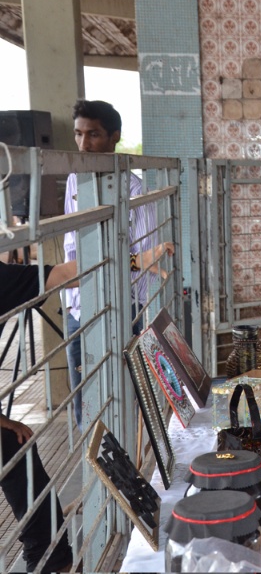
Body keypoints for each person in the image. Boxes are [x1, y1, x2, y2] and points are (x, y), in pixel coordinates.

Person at [64, 99, 161, 429]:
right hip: (80, 308)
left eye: (93, 134)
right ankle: (97, 474)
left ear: (114, 137)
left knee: (124, 399)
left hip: (121, 308)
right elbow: (71, 248)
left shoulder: (133, 190)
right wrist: (75, 295)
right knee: (85, 398)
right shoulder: (75, 180)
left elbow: (144, 261)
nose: (84, 144)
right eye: (78, 134)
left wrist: (111, 268)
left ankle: (126, 473)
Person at [1, 261, 77, 573]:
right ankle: (50, 560)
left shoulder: (5, 278)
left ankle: (50, 559)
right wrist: (136, 259)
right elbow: (61, 275)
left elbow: (57, 275)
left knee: (17, 446)